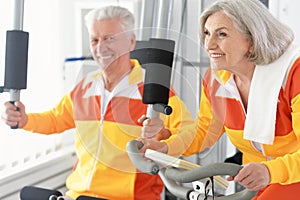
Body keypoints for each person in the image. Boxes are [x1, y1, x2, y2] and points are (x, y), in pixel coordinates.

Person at [1, 5, 195, 200]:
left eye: (109, 38)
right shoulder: (85, 86)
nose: (100, 47)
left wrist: (163, 138)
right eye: (95, 39)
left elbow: (188, 134)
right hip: (78, 195)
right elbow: (54, 120)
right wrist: (23, 119)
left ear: (131, 42)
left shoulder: (155, 90)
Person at [140, 0, 300, 199]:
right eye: (207, 33)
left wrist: (270, 172)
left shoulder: (294, 74)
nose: (209, 44)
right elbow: (204, 131)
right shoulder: (217, 79)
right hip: (256, 179)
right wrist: (165, 148)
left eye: (221, 34)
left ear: (252, 40)